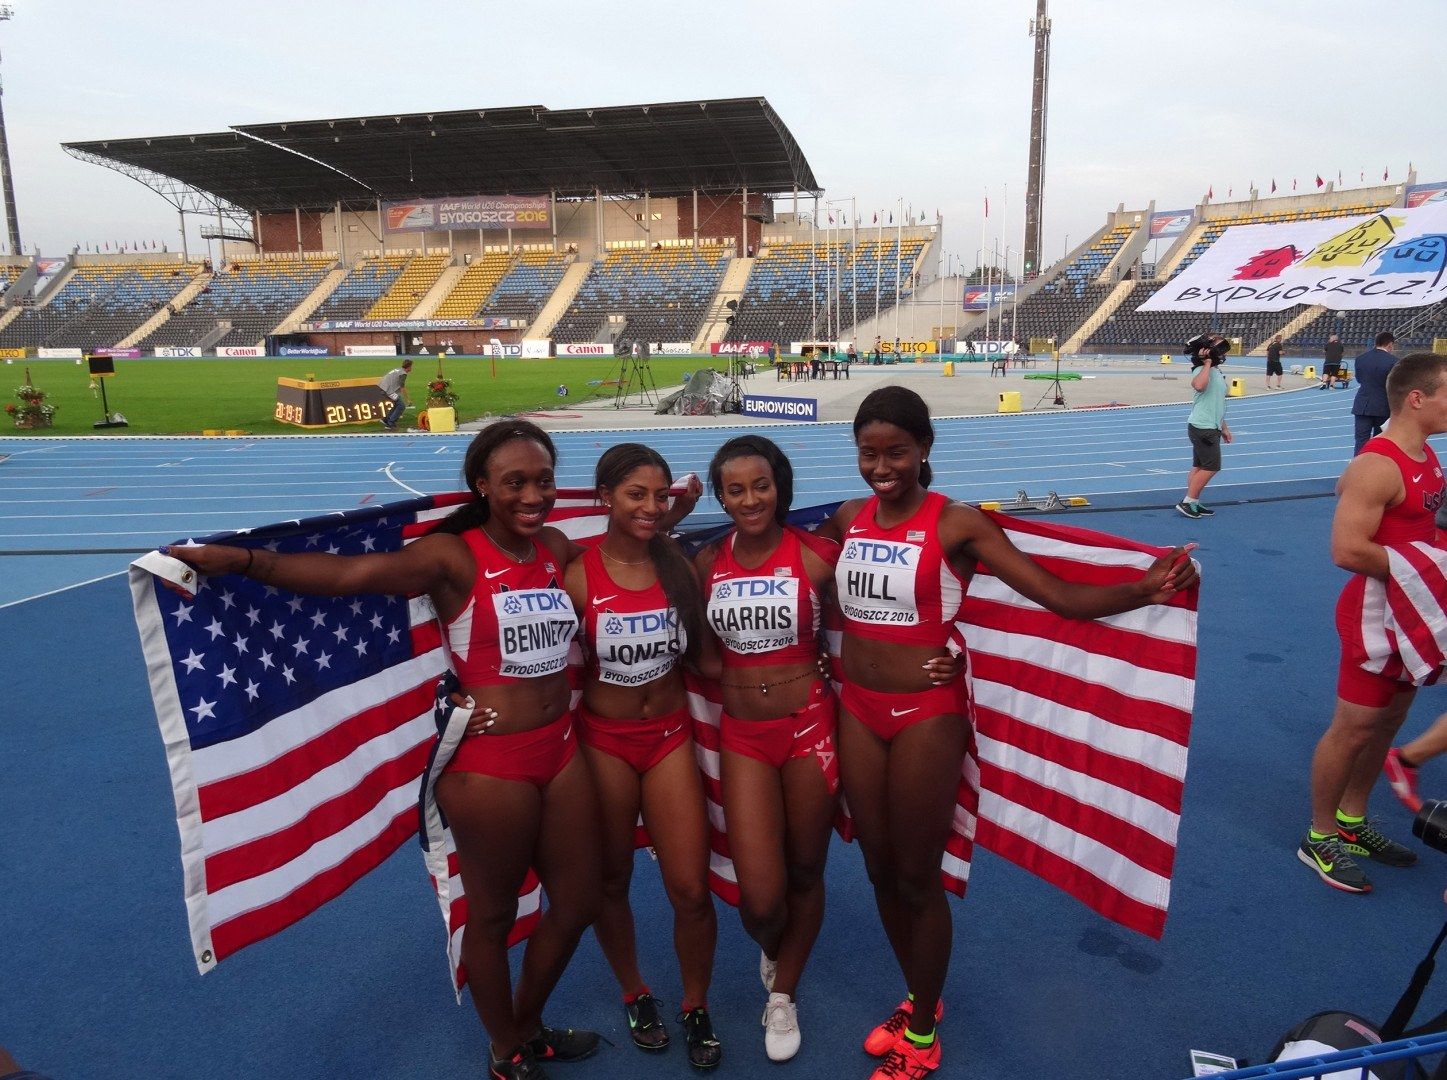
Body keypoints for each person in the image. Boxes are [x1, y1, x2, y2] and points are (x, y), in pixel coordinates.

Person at [166, 421, 605, 1080]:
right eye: (514, 481)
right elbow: (352, 576)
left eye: (542, 479)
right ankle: (505, 1046)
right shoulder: (451, 556)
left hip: (560, 753)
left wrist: (667, 512)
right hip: (491, 769)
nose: (532, 494)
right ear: (482, 486)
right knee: (490, 913)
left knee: (576, 902)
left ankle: (528, 1021)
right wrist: (247, 562)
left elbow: (625, 567)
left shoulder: (554, 546)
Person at [814, 386, 1196, 1080]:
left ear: (924, 448)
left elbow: (1057, 596)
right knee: (875, 867)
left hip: (926, 718)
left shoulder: (958, 524)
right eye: (868, 453)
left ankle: (924, 1033)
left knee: (914, 875)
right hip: (857, 711)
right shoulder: (847, 519)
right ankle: (915, 996)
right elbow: (810, 592)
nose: (880, 466)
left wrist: (1142, 591)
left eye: (894, 451)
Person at [694, 436, 960, 1062]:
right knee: (760, 899)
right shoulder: (705, 562)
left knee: (807, 870)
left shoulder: (819, 555)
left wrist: (945, 652)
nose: (751, 499)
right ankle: (774, 946)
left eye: (762, 485)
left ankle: (783, 994)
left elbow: (895, 600)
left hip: (810, 728)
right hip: (743, 735)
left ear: (781, 488)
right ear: (722, 497)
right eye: (735, 489)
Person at [564, 444, 723, 1070]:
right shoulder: (577, 573)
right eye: (636, 494)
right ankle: (635, 991)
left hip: (669, 737)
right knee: (611, 881)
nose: (652, 508)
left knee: (689, 886)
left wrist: (802, 669)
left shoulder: (678, 566)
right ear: (604, 496)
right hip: (604, 739)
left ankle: (695, 1002)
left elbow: (713, 657)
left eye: (661, 496)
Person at [1300, 353, 1447, 894]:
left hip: (1412, 614)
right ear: (1417, 398)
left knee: (1387, 725)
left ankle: (1352, 822)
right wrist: (1428, 567)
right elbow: (1346, 550)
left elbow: (1425, 530)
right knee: (1354, 727)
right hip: (1373, 616)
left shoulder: (1426, 455)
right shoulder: (1377, 465)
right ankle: (1317, 836)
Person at [1176, 333, 1233, 520]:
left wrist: (1224, 427)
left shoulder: (1215, 371)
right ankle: (1188, 501)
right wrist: (1206, 364)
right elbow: (1199, 386)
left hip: (1210, 425)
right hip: (1203, 427)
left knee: (1199, 465)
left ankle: (1193, 501)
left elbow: (1217, 401)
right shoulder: (1200, 370)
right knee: (1211, 466)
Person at [1352, 332, 1399, 454]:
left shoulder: (1361, 359)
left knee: (1361, 441)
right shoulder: (1394, 361)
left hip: (1362, 405)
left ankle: (1358, 468)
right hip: (1383, 406)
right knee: (1381, 442)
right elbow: (1395, 385)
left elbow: (1359, 379)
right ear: (1390, 344)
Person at [379, 358, 413, 430]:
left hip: (383, 387)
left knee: (397, 404)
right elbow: (402, 387)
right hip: (388, 390)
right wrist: (408, 400)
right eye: (411, 366)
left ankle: (385, 419)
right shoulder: (403, 374)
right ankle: (390, 423)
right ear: (409, 367)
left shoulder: (398, 370)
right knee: (401, 406)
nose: (411, 368)